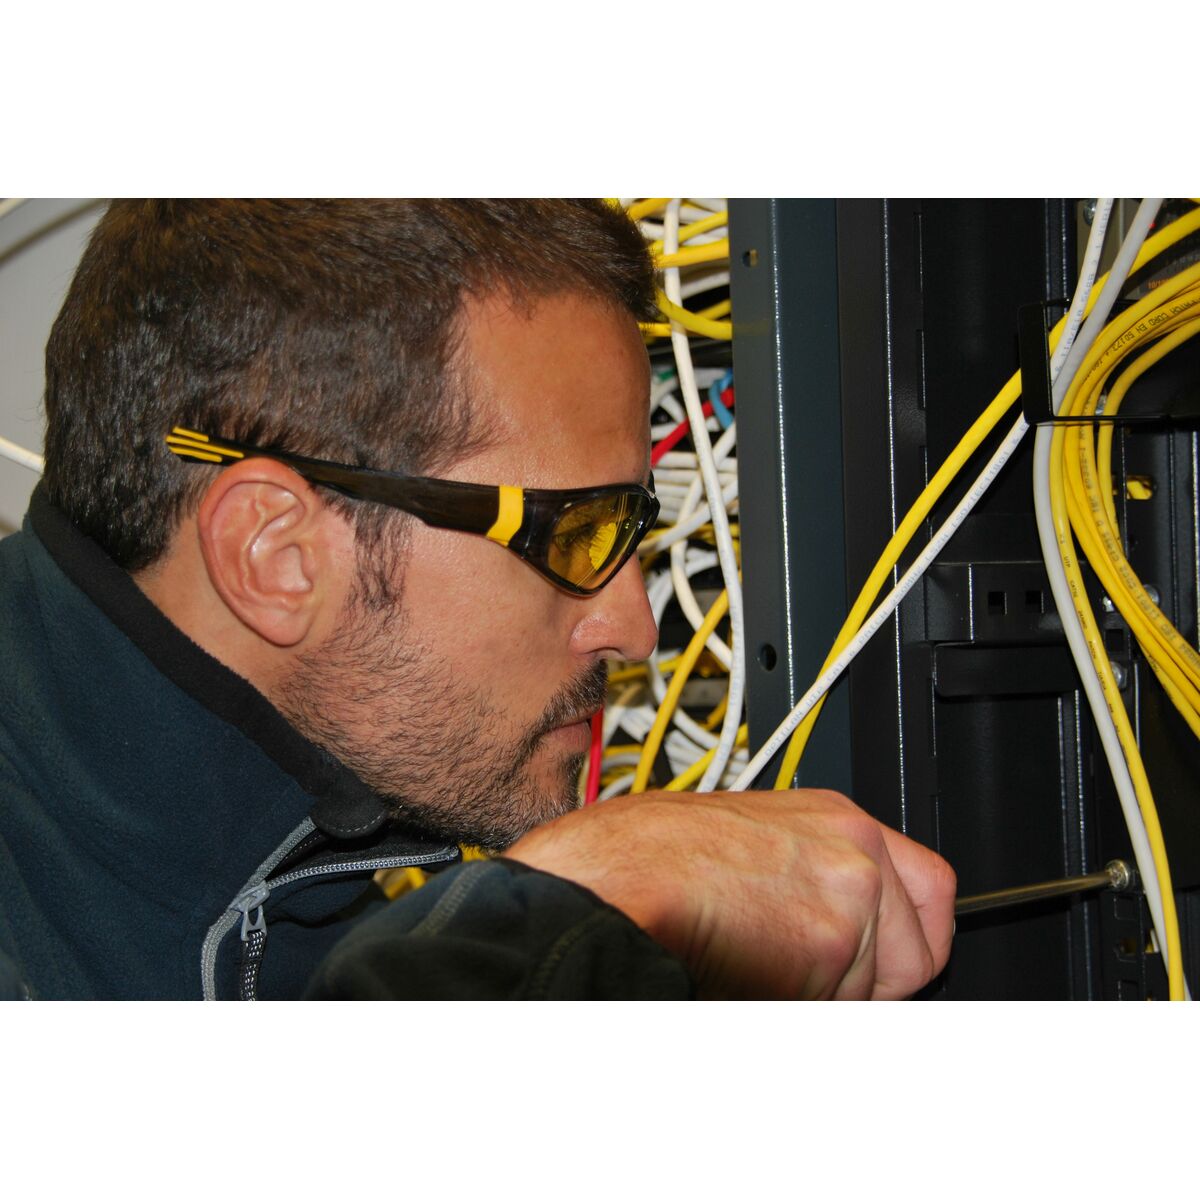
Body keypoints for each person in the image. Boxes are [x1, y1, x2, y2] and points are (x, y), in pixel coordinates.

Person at [0, 199, 956, 1000]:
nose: (634, 631)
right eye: (573, 534)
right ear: (277, 555)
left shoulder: (305, 874)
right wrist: (554, 917)